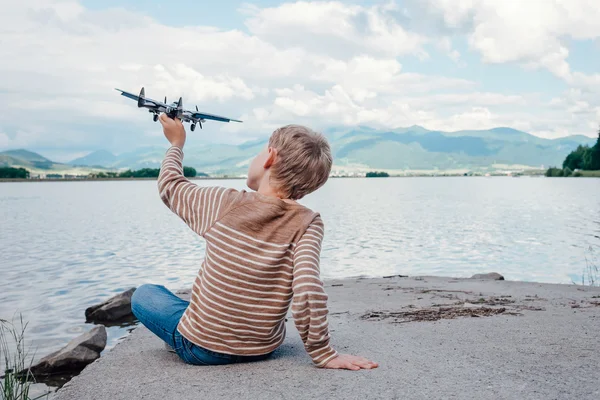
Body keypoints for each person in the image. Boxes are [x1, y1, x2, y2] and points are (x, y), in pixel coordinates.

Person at [131, 114, 378, 371]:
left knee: (145, 294)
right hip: (262, 347)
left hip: (202, 349)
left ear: (270, 156)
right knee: (191, 305)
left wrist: (176, 144)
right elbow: (307, 288)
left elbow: (170, 185)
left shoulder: (223, 203)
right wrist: (323, 353)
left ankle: (183, 338)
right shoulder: (309, 222)